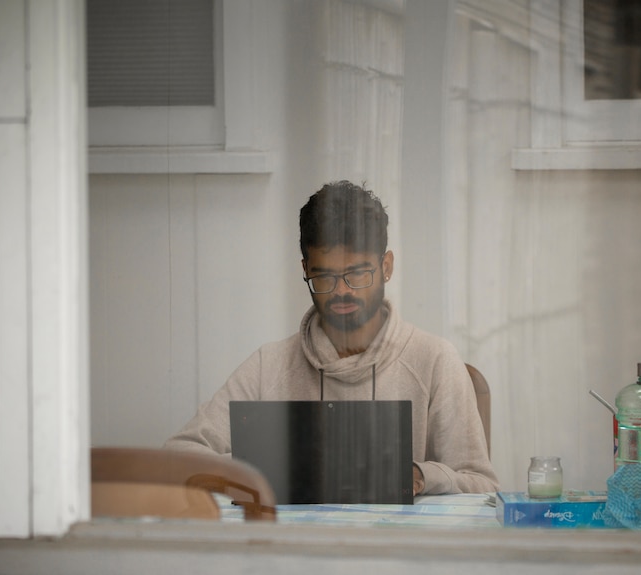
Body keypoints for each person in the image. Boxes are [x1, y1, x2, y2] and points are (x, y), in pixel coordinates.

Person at [164, 180, 498, 495]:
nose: (341, 292)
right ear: (306, 269)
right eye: (324, 276)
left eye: (357, 274)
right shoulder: (271, 364)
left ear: (386, 266)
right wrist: (256, 470)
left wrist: (422, 476)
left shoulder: (435, 359)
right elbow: (178, 455)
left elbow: (482, 485)